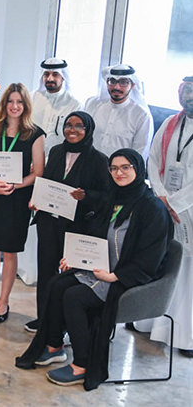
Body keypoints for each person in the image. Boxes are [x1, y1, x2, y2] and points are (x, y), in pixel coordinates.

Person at [16, 149, 172, 389]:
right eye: (114, 168)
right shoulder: (113, 198)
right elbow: (92, 234)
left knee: (74, 297)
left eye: (125, 167)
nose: (119, 173)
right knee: (57, 284)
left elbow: (151, 255)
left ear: (138, 169)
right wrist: (76, 257)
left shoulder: (152, 209)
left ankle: (83, 364)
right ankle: (54, 346)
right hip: (100, 270)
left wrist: (116, 275)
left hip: (129, 278)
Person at [26, 111, 111, 333]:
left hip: (76, 228)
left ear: (88, 130)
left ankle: (63, 323)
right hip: (48, 223)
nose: (72, 130)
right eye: (68, 125)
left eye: (79, 126)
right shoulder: (55, 151)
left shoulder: (99, 160)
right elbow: (46, 182)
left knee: (69, 278)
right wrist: (37, 200)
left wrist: (87, 196)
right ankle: (43, 319)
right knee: (45, 272)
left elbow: (107, 197)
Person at [0, 83, 45, 324]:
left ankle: (4, 301)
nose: (15, 106)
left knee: (10, 250)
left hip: (16, 198)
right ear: (3, 104)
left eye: (19, 102)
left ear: (25, 106)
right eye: (10, 101)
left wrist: (16, 185)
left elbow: (39, 172)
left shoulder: (35, 134)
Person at [134, 77, 193, 357]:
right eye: (186, 91)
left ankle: (187, 336)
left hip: (189, 211)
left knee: (187, 272)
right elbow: (153, 160)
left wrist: (177, 203)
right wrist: (162, 198)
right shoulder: (170, 123)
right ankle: (149, 321)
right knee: (160, 260)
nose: (189, 97)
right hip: (165, 204)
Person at [84, 64, 153, 160]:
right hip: (91, 166)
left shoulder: (141, 115)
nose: (117, 87)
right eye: (112, 81)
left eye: (123, 82)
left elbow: (140, 153)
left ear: (132, 85)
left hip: (119, 172)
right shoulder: (94, 105)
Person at [31, 58, 81, 153]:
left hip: (58, 157)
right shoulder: (32, 98)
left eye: (55, 74)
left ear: (63, 77)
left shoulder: (74, 105)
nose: (50, 78)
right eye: (46, 74)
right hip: (32, 154)